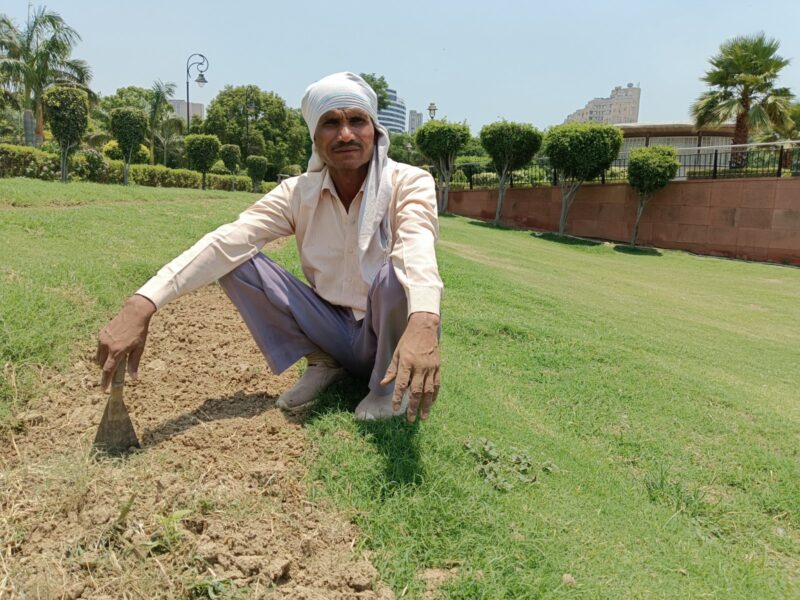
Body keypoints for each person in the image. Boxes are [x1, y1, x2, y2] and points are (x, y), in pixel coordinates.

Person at [95, 72, 442, 422]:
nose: (345, 134)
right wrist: (142, 303)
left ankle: (388, 389)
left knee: (395, 275)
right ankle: (324, 362)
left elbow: (417, 247)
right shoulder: (298, 193)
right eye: (331, 123)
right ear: (314, 136)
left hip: (385, 334)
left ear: (375, 130)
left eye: (357, 120)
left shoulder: (408, 182)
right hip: (330, 328)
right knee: (236, 260)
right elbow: (227, 241)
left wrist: (425, 322)